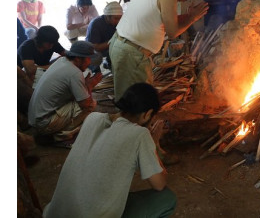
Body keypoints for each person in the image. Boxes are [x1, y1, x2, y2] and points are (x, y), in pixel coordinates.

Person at [43, 83, 177, 218]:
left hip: (54, 213)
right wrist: (154, 145)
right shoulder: (140, 135)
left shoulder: (92, 118)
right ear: (147, 114)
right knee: (167, 199)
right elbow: (159, 184)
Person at [109, 0, 208, 101]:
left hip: (121, 45)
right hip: (131, 53)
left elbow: (168, 20)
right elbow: (172, 32)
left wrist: (189, 16)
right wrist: (193, 17)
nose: (185, 1)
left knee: (128, 100)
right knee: (137, 105)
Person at [28, 41, 102, 145]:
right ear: (77, 59)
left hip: (35, 118)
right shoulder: (75, 73)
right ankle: (60, 134)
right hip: (43, 123)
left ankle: (55, 131)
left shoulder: (62, 60)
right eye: (88, 59)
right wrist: (89, 85)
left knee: (79, 99)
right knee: (91, 105)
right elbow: (85, 103)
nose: (89, 62)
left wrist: (85, 85)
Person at [85, 1, 123, 70]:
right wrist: (114, 40)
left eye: (120, 18)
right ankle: (94, 69)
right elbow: (95, 47)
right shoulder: (95, 24)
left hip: (108, 46)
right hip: (92, 50)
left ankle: (108, 63)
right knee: (96, 58)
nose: (119, 21)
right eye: (116, 18)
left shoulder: (118, 22)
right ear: (107, 17)